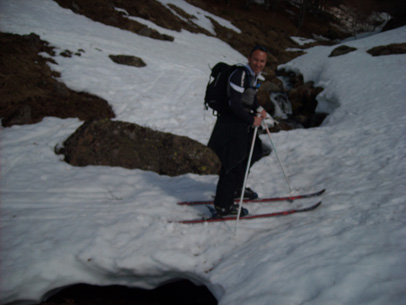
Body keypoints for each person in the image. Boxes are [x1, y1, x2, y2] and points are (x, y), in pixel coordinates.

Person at [208, 45, 268, 217]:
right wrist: (252, 119)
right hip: (231, 124)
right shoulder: (239, 75)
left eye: (262, 61)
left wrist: (259, 109)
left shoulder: (253, 76)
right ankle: (223, 205)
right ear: (249, 58)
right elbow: (234, 104)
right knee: (231, 162)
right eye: (256, 59)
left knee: (254, 152)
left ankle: (236, 188)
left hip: (243, 123)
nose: (258, 63)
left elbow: (250, 98)